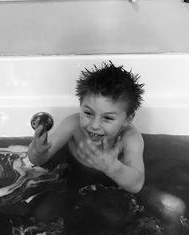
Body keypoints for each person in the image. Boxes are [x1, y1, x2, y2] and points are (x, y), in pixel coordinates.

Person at [28, 61, 145, 195]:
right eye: (88, 113)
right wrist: (37, 152)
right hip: (72, 175)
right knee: (44, 214)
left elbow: (137, 185)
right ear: (80, 105)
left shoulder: (130, 139)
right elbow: (37, 160)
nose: (94, 126)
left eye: (108, 118)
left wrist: (113, 167)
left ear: (127, 120)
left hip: (110, 187)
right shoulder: (73, 125)